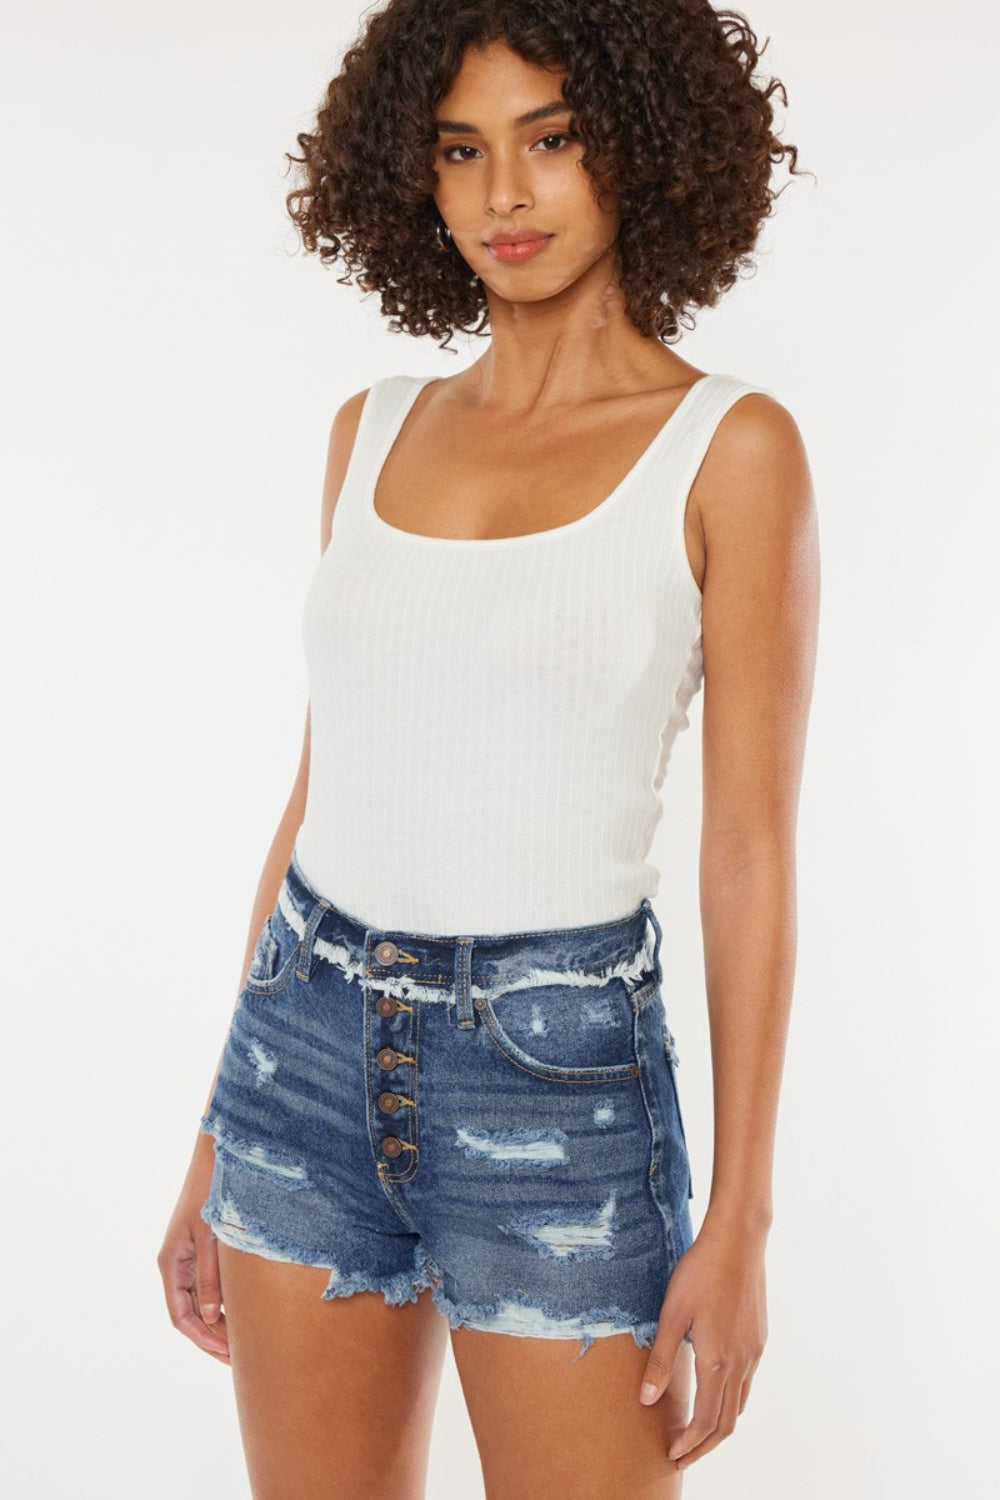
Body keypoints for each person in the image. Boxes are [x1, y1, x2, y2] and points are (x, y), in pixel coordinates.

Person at [157, 1, 819, 1495]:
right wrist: (222, 1125)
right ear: (413, 172)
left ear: (643, 151)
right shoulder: (370, 429)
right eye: (462, 151)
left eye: (551, 141)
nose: (502, 198)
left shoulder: (729, 450)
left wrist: (741, 1222)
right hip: (302, 1060)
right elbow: (320, 796)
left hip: (556, 1088)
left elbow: (750, 849)